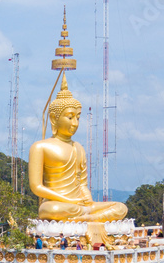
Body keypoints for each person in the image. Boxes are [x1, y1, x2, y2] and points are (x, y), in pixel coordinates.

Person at [28, 72, 128, 222]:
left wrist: (88, 200)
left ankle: (84, 219)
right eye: (69, 117)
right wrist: (67, 200)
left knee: (121, 208)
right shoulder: (40, 147)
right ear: (54, 118)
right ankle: (90, 218)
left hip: (79, 206)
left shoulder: (78, 148)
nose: (75, 123)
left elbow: (82, 183)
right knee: (51, 210)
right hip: (58, 204)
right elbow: (36, 187)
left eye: (78, 117)